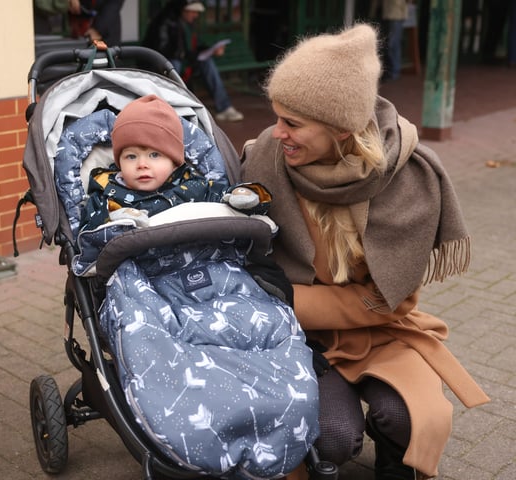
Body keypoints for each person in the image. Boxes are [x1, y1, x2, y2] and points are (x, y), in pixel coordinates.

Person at [240, 24, 489, 479]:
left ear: (340, 129)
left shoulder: (409, 180)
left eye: (292, 123)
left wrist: (289, 298)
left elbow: (392, 300)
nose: (277, 133)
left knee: (409, 419)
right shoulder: (263, 161)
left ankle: (395, 458)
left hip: (380, 330)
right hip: (299, 338)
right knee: (332, 439)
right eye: (277, 117)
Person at [80, 94, 267, 234]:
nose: (142, 164)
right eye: (131, 157)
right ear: (119, 162)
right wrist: (114, 219)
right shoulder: (109, 194)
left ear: (174, 161)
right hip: (140, 263)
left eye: (154, 155)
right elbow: (86, 232)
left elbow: (225, 201)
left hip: (199, 256)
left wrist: (244, 195)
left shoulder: (194, 186)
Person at [142, 0, 245, 122]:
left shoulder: (188, 24)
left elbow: (195, 45)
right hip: (162, 64)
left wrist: (211, 50)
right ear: (184, 10)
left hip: (185, 61)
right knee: (174, 65)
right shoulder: (165, 22)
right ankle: (175, 107)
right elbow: (162, 51)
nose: (196, 15)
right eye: (193, 11)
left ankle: (224, 107)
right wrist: (189, 55)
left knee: (207, 63)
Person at [370, 0, 409, 81]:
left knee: (393, 44)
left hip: (396, 13)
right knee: (385, 43)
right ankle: (389, 71)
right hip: (383, 12)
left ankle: (394, 71)